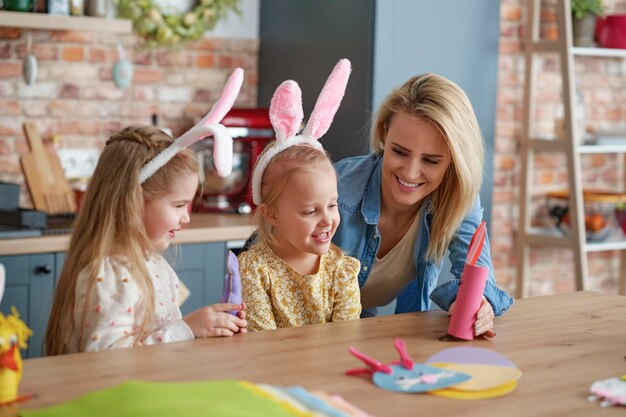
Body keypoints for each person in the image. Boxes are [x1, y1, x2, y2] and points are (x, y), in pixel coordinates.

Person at [45, 69, 248, 355]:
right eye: (178, 205)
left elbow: (157, 340)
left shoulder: (151, 264)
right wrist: (188, 328)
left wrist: (207, 326)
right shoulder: (110, 275)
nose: (186, 217)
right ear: (133, 200)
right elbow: (106, 359)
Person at [332, 73, 514, 337]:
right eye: (399, 152)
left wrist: (479, 304)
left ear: (454, 161)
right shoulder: (338, 192)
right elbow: (277, 274)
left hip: (360, 325)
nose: (410, 172)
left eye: (430, 160)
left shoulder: (456, 196)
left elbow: (475, 274)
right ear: (384, 134)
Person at [238, 59, 362, 332]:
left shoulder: (342, 271)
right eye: (310, 211)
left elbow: (345, 340)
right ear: (272, 214)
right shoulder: (255, 269)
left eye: (331, 205)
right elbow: (262, 342)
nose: (327, 219)